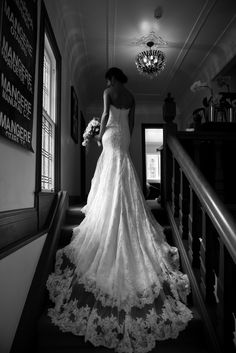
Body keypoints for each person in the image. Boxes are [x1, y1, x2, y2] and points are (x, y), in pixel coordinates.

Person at [46, 67, 192, 353]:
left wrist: (100, 135)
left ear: (111, 78)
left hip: (112, 133)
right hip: (123, 135)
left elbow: (103, 116)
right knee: (122, 167)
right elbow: (133, 121)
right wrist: (122, 134)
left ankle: (110, 203)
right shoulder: (131, 96)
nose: (107, 82)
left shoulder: (107, 92)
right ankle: (121, 203)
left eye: (107, 79)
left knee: (110, 168)